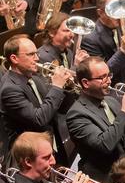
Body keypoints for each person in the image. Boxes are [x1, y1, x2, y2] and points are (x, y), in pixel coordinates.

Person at [0, 35, 73, 163]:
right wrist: (56, 86)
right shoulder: (9, 89)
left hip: (52, 143)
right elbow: (39, 119)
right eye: (31, 54)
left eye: (36, 53)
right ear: (14, 58)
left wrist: (66, 86)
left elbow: (58, 108)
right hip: (30, 156)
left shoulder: (35, 77)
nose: (37, 58)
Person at [81, 0, 125, 85]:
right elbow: (102, 73)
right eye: (112, 11)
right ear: (100, 12)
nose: (118, 15)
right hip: (111, 90)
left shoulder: (122, 27)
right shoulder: (90, 39)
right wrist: (123, 51)